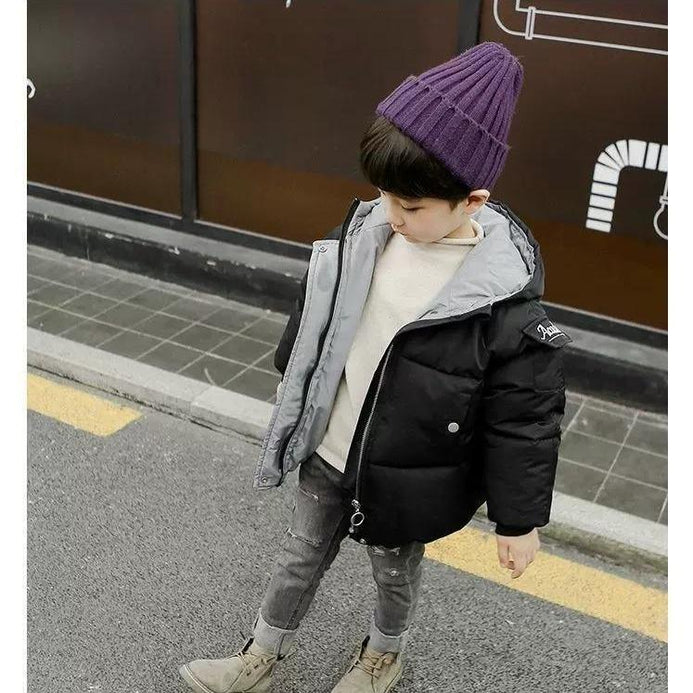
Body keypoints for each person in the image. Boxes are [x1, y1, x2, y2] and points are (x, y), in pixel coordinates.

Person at [180, 41, 571, 693]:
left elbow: (525, 423)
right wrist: (293, 377)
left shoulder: (499, 306)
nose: (392, 215)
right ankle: (261, 652)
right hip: (328, 451)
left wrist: (518, 521)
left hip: (404, 478)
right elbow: (320, 314)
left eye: (412, 207)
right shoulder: (368, 235)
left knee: (393, 573)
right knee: (299, 554)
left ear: (472, 201)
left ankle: (382, 656)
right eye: (384, 194)